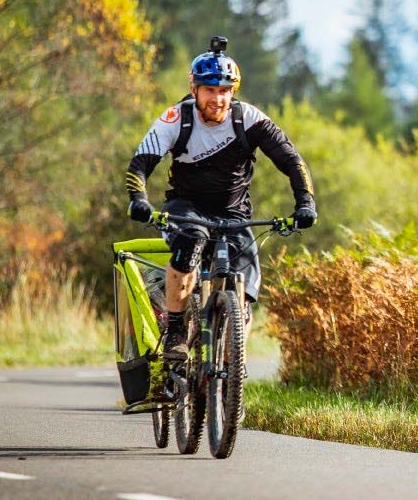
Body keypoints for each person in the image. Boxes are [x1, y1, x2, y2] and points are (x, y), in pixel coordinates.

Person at [124, 36, 317, 359]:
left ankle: (232, 359)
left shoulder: (249, 119)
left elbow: (292, 161)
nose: (218, 99)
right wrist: (138, 198)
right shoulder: (176, 119)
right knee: (190, 243)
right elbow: (141, 162)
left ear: (233, 91)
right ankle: (175, 332)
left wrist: (305, 203)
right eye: (210, 90)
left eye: (225, 90)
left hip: (235, 213)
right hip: (187, 209)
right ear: (195, 88)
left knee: (244, 285)